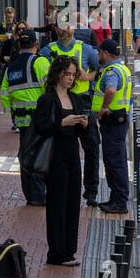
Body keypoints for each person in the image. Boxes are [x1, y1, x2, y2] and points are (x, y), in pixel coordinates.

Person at [32, 57, 90, 266]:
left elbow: (86, 131)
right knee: (57, 202)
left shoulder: (76, 99)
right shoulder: (47, 100)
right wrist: (61, 122)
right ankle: (56, 252)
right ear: (57, 74)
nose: (70, 78)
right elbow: (40, 127)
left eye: (73, 74)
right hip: (54, 154)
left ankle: (69, 250)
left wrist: (84, 123)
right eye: (67, 74)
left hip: (72, 152)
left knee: (73, 201)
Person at [41, 24, 101, 205]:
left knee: (91, 147)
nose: (65, 30)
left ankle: (90, 191)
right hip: (57, 103)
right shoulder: (48, 50)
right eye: (60, 26)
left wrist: (88, 77)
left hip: (82, 103)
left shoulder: (85, 49)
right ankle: (51, 185)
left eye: (68, 26)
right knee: (53, 145)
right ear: (55, 28)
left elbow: (101, 67)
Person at [0, 31, 50, 205]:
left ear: (19, 46)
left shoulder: (11, 67)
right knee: (39, 156)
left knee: (26, 156)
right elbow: (50, 89)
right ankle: (38, 195)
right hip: (39, 121)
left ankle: (30, 194)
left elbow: (5, 95)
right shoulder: (40, 62)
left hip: (21, 121)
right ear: (36, 45)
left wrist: (13, 111)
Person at [92, 39, 133, 215]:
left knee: (114, 161)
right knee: (117, 160)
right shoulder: (123, 68)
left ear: (106, 53)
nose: (98, 55)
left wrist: (104, 108)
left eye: (100, 52)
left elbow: (110, 90)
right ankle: (116, 198)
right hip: (119, 119)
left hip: (112, 120)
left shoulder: (111, 71)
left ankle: (119, 201)